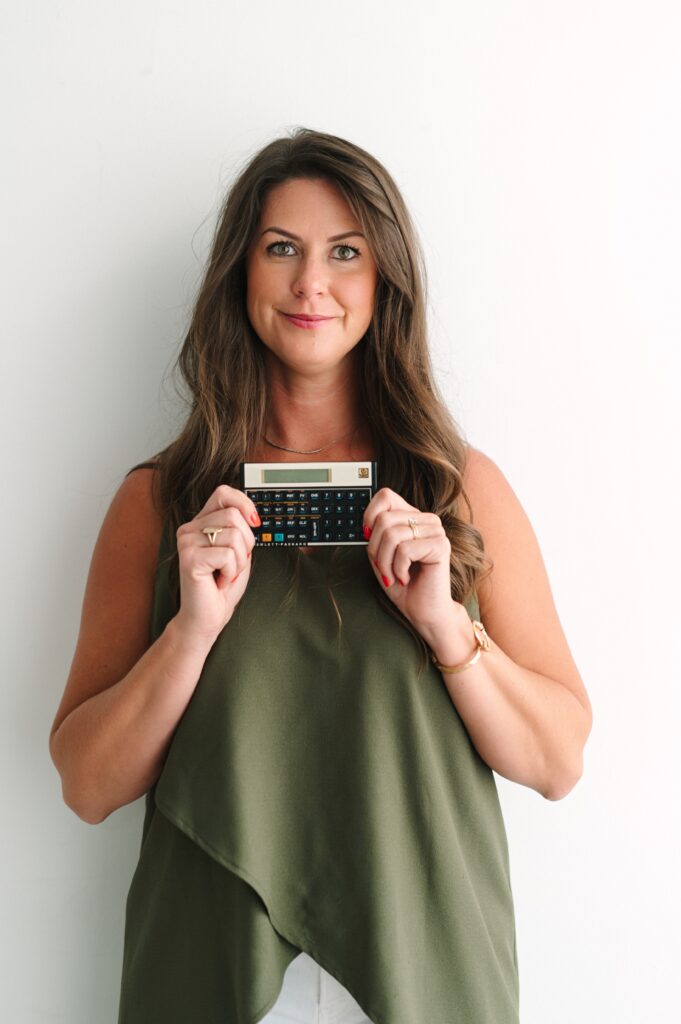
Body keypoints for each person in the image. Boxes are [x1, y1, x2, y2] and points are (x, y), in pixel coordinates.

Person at [49, 127, 593, 1024]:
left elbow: (557, 762)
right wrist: (191, 631)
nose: (311, 283)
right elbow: (87, 785)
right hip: (213, 973)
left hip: (424, 970)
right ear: (240, 272)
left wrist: (448, 629)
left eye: (345, 252)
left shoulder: (460, 491)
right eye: (281, 249)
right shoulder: (159, 502)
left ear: (384, 281)